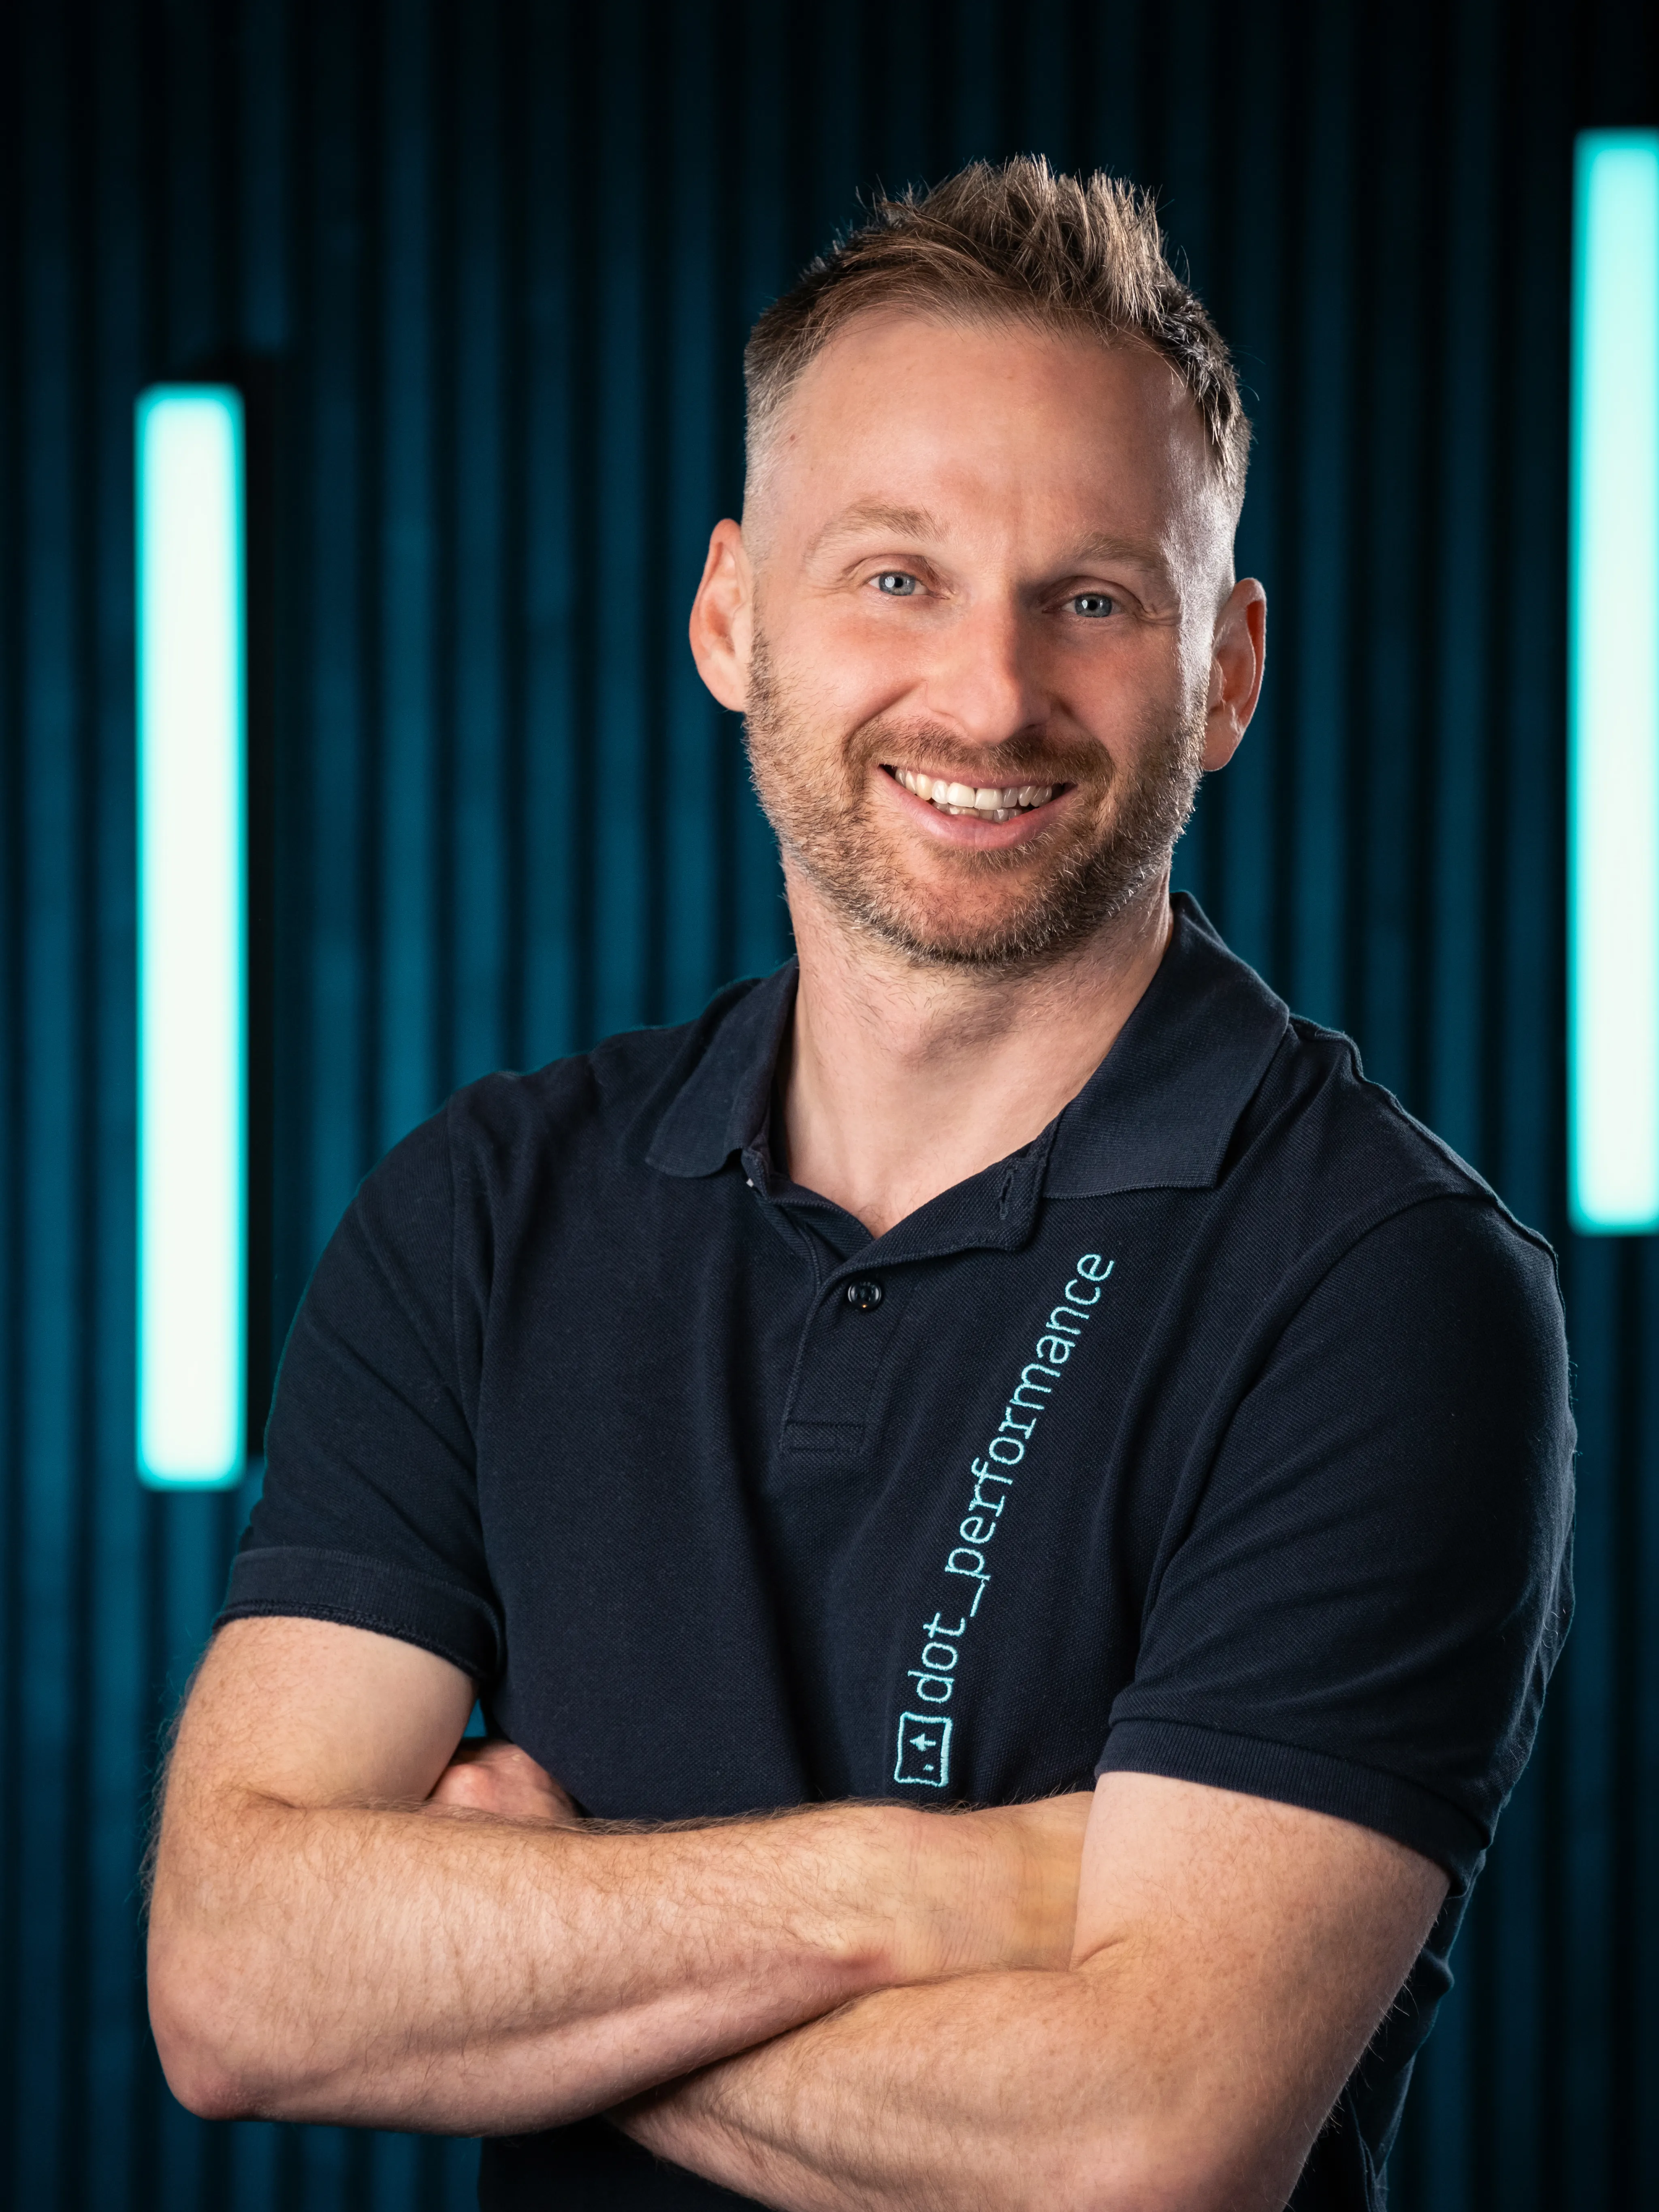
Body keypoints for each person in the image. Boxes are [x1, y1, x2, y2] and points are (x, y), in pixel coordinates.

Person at [146, 159, 1573, 2212]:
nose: (987, 697)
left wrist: (512, 1956)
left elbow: (1135, 2148)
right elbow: (237, 1980)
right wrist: (932, 1893)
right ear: (733, 617)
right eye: (892, 576)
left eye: (1092, 597)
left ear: (1230, 670)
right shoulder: (483, 1210)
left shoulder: (1381, 1288)